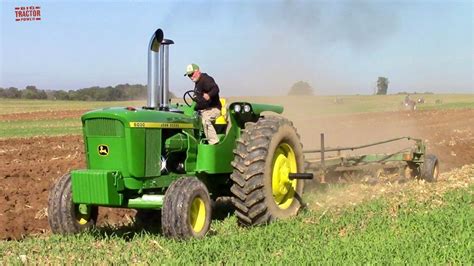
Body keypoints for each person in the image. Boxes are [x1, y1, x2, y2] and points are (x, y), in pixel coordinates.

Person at [185, 63, 222, 145]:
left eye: (191, 74)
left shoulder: (205, 79)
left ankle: (214, 143)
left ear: (197, 71)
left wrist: (209, 95)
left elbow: (215, 89)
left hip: (213, 109)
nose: (191, 77)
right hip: (203, 110)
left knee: (205, 119)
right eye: (189, 76)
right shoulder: (197, 84)